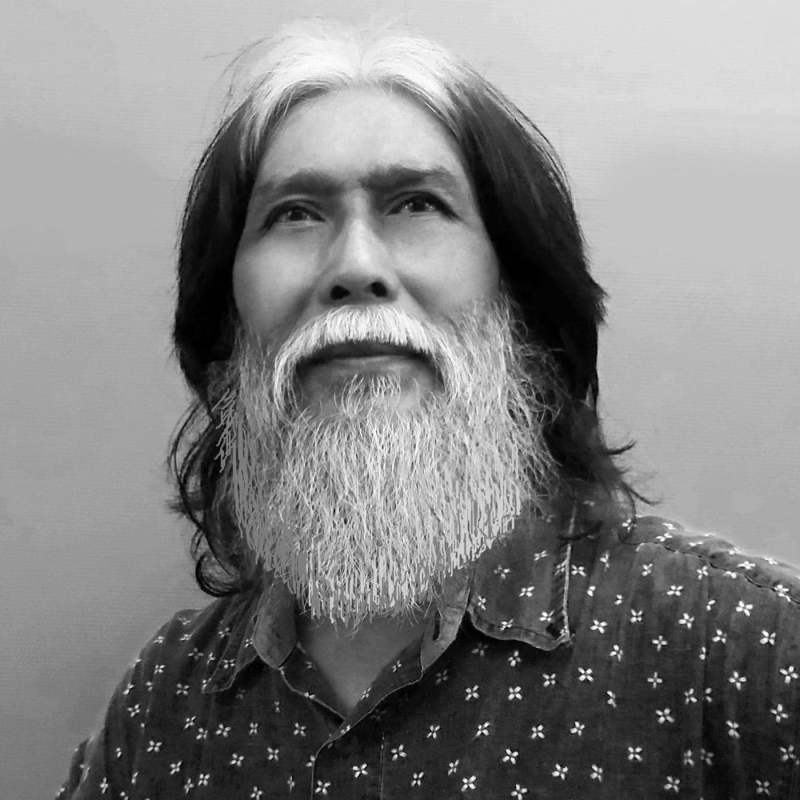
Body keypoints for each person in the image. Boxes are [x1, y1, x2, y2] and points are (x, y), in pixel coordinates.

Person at [57, 19, 800, 799]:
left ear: (519, 300)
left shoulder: (741, 651)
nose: (355, 265)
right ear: (228, 327)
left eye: (416, 203)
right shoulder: (161, 710)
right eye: (296, 213)